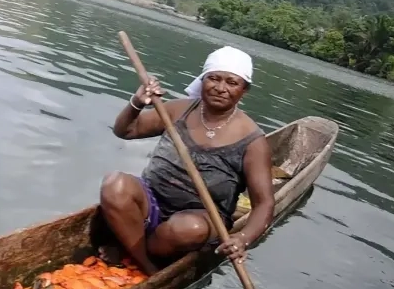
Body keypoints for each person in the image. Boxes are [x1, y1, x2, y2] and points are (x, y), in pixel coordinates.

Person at [99, 46, 275, 275]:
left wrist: (242, 238)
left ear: (244, 90)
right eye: (213, 79)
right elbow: (126, 131)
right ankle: (145, 264)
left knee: (187, 229)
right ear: (202, 80)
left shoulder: (252, 141)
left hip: (201, 219)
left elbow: (264, 203)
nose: (221, 88)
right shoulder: (178, 110)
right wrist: (137, 102)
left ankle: (128, 248)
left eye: (232, 83)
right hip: (151, 203)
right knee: (115, 184)